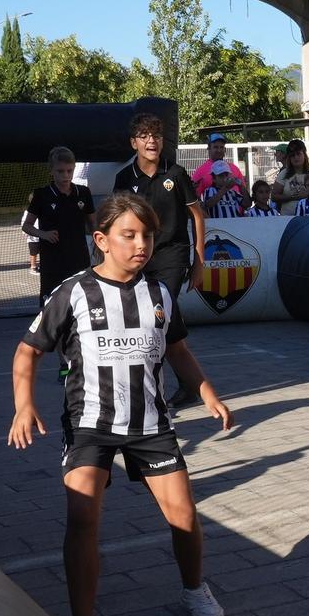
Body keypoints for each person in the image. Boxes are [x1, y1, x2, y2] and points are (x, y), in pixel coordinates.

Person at [8, 193, 235, 616]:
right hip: (90, 424)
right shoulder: (72, 292)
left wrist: (207, 390)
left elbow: (178, 351)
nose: (140, 244)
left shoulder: (159, 294)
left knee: (185, 516)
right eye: (128, 235)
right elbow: (27, 351)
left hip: (151, 425)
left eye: (147, 235)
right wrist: (23, 406)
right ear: (101, 240)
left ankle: (194, 588)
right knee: (83, 516)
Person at [110, 112, 205, 400]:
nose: (152, 141)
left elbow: (197, 216)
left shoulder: (175, 174)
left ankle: (143, 389)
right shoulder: (125, 178)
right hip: (139, 258)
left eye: (156, 136)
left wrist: (199, 261)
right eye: (145, 136)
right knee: (158, 319)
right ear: (134, 142)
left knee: (157, 313)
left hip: (172, 255)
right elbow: (117, 221)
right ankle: (190, 384)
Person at [22, 146, 96, 302]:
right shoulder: (42, 195)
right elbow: (26, 225)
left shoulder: (83, 193)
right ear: (51, 171)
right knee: (52, 304)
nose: (66, 175)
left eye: (69, 170)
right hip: (53, 261)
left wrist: (103, 246)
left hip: (79, 258)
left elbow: (93, 225)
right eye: (60, 171)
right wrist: (44, 234)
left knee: (81, 300)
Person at [275, 140, 309, 210]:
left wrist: (308, 195)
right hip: (288, 218)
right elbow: (274, 197)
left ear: (304, 155)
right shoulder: (283, 174)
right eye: (292, 155)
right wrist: (293, 197)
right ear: (289, 158)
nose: (296, 157)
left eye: (298, 154)